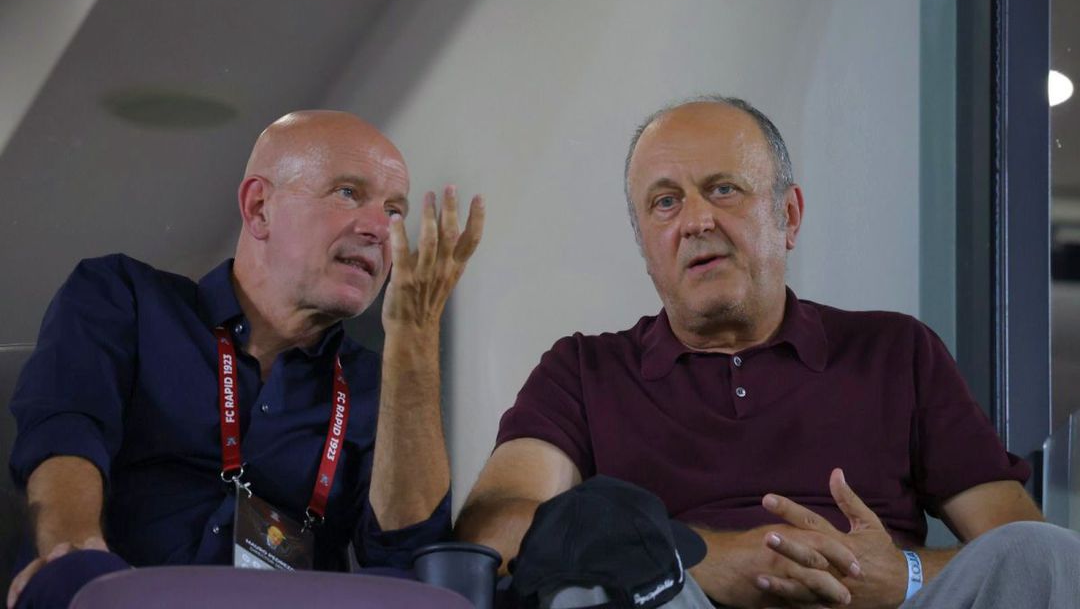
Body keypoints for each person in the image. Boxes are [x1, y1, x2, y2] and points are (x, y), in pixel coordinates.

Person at [455, 97, 1078, 608]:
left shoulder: (895, 350)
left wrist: (903, 576)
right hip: (684, 601)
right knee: (610, 587)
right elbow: (494, 532)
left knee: (1050, 555)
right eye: (665, 202)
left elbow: (1016, 546)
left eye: (723, 189)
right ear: (645, 244)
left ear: (789, 214)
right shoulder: (584, 370)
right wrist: (695, 558)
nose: (695, 221)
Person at [7, 110, 484, 607]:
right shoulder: (126, 299)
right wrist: (73, 545)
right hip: (128, 591)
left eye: (394, 211)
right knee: (77, 576)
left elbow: (407, 557)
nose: (381, 229)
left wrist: (414, 335)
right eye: (347, 192)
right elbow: (66, 432)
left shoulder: (374, 387)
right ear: (259, 208)